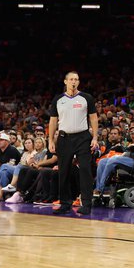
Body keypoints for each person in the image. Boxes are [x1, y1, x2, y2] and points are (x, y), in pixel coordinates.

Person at [48, 71, 99, 216]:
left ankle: (86, 204)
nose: (74, 82)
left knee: (85, 169)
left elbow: (94, 118)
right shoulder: (58, 100)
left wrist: (95, 137)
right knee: (63, 171)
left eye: (76, 79)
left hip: (83, 137)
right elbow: (53, 121)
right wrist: (51, 140)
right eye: (71, 79)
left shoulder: (86, 98)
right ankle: (65, 204)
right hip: (64, 138)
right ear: (65, 82)